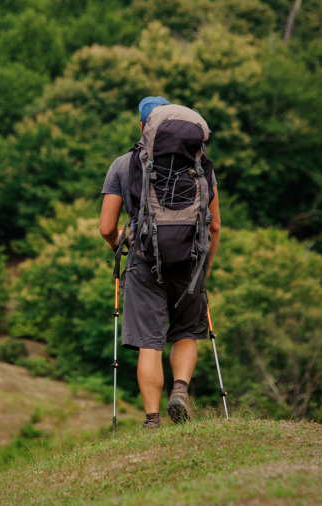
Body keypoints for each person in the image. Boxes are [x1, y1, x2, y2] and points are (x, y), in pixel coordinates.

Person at [99, 96, 221, 428]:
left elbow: (107, 227)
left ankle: (152, 420)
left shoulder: (123, 165)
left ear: (144, 127)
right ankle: (180, 390)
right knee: (185, 333)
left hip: (143, 260)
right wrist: (204, 271)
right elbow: (214, 225)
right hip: (190, 260)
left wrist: (120, 244)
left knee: (149, 343)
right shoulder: (201, 166)